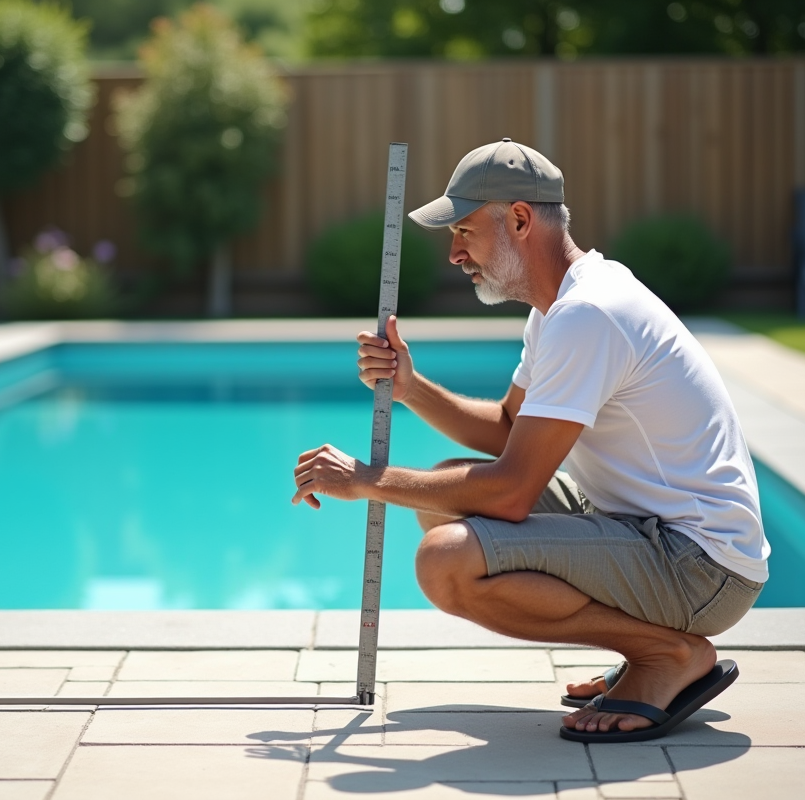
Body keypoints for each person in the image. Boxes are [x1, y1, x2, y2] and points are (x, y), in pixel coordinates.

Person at [290, 139, 769, 743]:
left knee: (446, 562)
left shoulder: (587, 313)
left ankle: (666, 654)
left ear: (519, 219)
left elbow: (513, 492)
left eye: (464, 230)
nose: (455, 254)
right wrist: (410, 388)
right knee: (443, 494)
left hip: (700, 566)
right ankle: (649, 647)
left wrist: (367, 481)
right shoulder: (559, 308)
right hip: (652, 532)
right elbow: (509, 432)